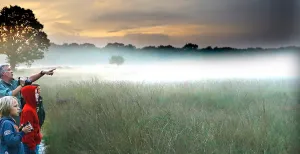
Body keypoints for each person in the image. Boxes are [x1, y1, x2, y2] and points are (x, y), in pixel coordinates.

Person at [20, 85, 42, 154]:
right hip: (30, 146)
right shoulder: (28, 110)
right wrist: (32, 147)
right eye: (35, 93)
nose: (38, 95)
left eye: (37, 93)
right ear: (29, 95)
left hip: (34, 143)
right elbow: (29, 131)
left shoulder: (32, 107)